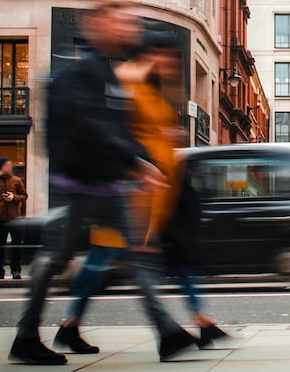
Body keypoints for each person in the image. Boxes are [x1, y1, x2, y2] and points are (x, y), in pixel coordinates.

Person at [9, 0, 196, 365]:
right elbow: (89, 125)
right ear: (97, 25)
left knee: (138, 257)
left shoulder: (108, 73)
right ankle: (27, 335)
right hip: (78, 184)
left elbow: (118, 129)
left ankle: (168, 332)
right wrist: (137, 163)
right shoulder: (85, 71)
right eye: (121, 22)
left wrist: (140, 162)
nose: (130, 28)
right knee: (56, 259)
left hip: (108, 184)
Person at [54, 33, 228, 353]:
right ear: (150, 54)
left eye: (175, 58)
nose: (172, 63)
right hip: (132, 192)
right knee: (106, 260)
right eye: (166, 56)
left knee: (132, 260)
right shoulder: (130, 82)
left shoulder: (156, 88)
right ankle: (75, 325)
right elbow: (118, 133)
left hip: (160, 192)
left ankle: (197, 323)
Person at [0, 157, 27, 280]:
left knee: (16, 245)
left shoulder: (16, 180)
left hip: (15, 219)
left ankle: (15, 270)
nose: (10, 167)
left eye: (10, 165)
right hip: (0, 219)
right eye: (7, 165)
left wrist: (13, 197)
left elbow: (24, 196)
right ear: (1, 167)